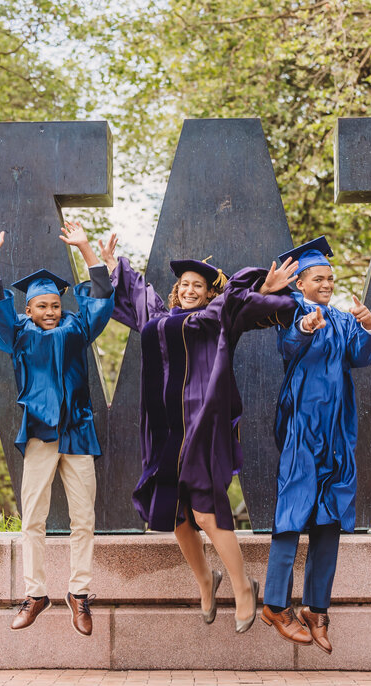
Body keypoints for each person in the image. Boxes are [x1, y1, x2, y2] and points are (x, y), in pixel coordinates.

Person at [96, 226, 298, 632]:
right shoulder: (156, 317)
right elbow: (132, 289)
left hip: (201, 427)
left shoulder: (214, 317)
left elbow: (242, 304)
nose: (189, 289)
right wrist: (97, 255)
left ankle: (243, 587)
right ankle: (207, 580)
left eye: (198, 286)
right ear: (176, 290)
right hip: (162, 431)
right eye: (184, 284)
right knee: (173, 515)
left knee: (205, 512)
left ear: (208, 293)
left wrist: (268, 288)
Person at [0, 219, 114, 636]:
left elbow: (101, 299)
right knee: (34, 517)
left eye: (54, 305)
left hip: (79, 432)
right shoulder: (18, 334)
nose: (49, 311)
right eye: (41, 306)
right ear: (27, 309)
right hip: (39, 434)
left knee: (83, 519)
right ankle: (35, 593)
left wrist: (86, 250)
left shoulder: (76, 329)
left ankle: (79, 594)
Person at [261, 236, 371, 654]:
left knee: (329, 518)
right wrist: (303, 326)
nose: (327, 284)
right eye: (319, 278)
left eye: (330, 278)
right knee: (293, 511)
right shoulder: (291, 311)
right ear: (300, 283)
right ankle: (275, 604)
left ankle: (315, 610)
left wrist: (368, 323)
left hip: (337, 432)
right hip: (303, 428)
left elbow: (360, 355)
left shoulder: (339, 319)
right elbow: (287, 345)